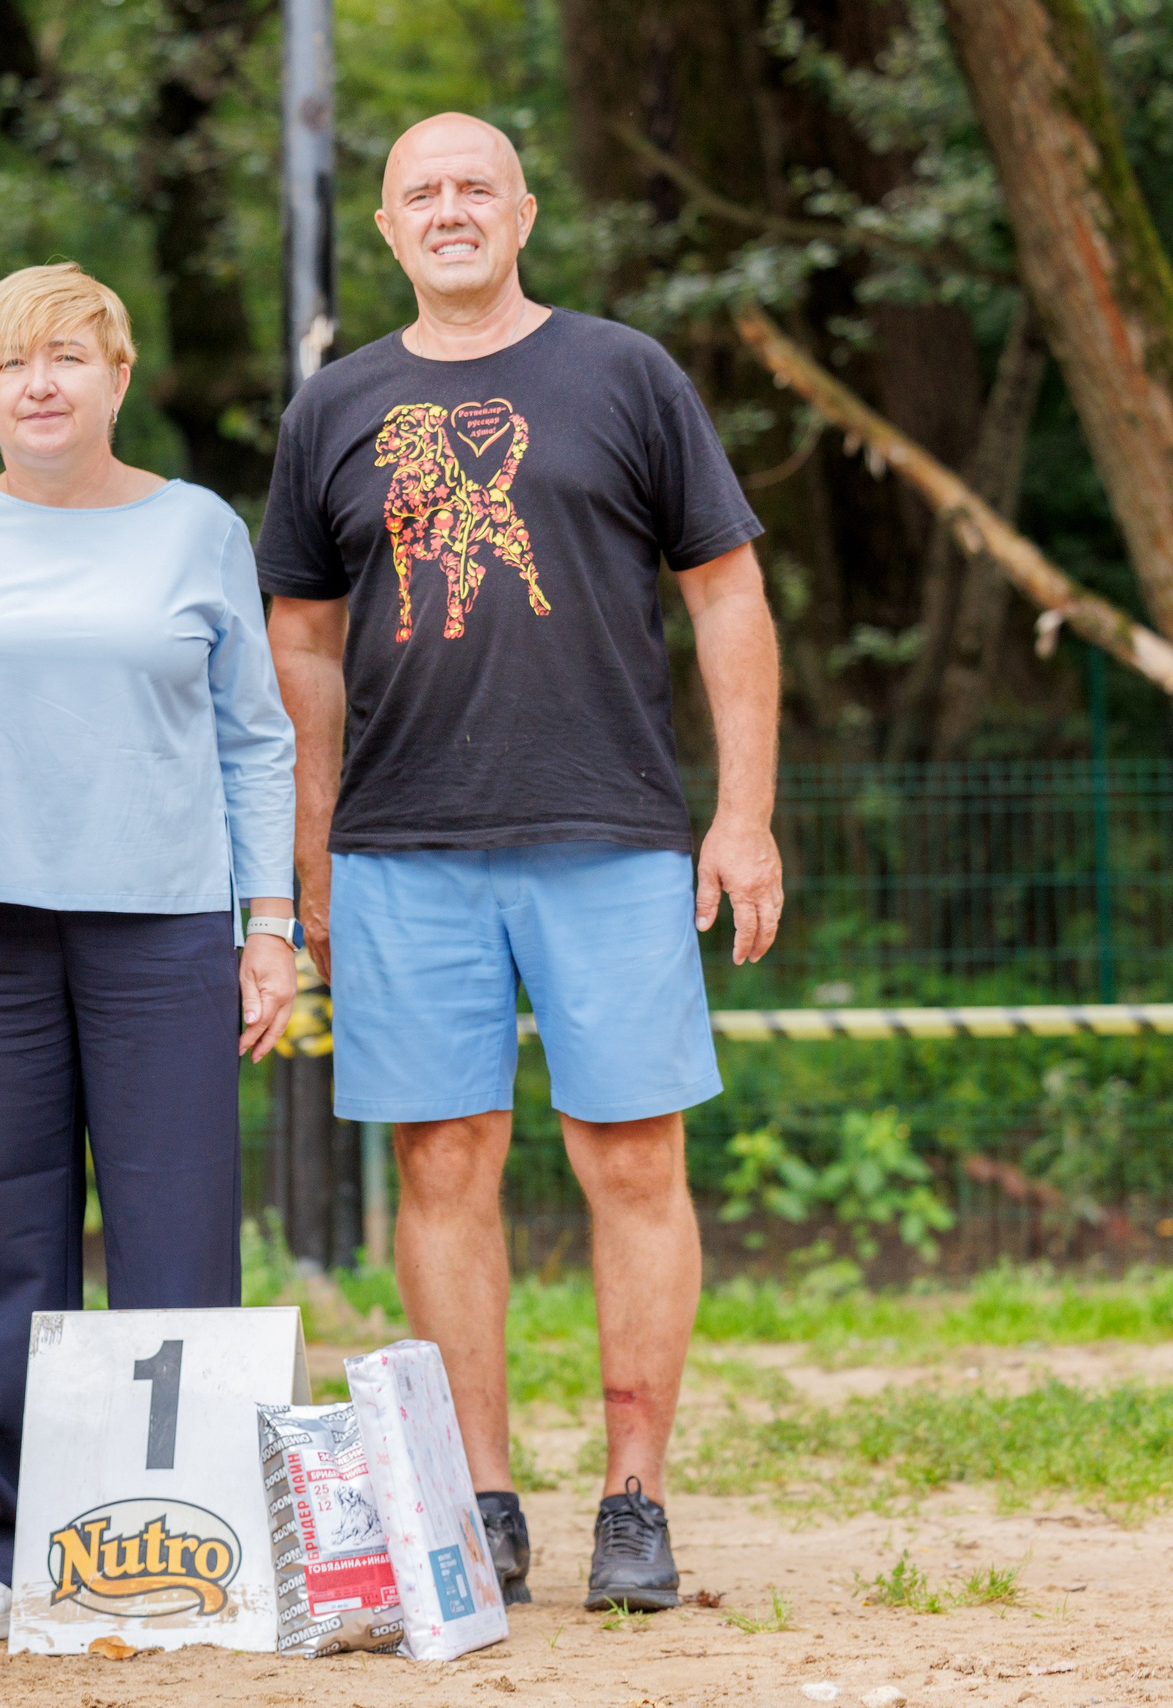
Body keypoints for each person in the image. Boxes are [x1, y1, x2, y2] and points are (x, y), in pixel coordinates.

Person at [258, 113, 784, 1612]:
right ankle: (478, 1499)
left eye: (474, 187)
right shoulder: (336, 406)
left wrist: (739, 815)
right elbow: (302, 642)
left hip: (612, 832)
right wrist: (314, 860)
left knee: (632, 1157)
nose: (449, 209)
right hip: (405, 848)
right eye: (420, 192)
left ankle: (635, 1500)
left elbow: (730, 597)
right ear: (385, 226)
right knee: (444, 1162)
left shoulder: (624, 375)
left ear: (524, 211)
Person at [0, 263, 299, 1642]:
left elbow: (255, 737)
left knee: (175, 1230)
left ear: (118, 375)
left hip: (163, 926)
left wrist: (267, 923)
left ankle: (187, 1540)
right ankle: (7, 1545)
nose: (40, 382)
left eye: (67, 358)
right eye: (9, 362)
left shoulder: (197, 528)